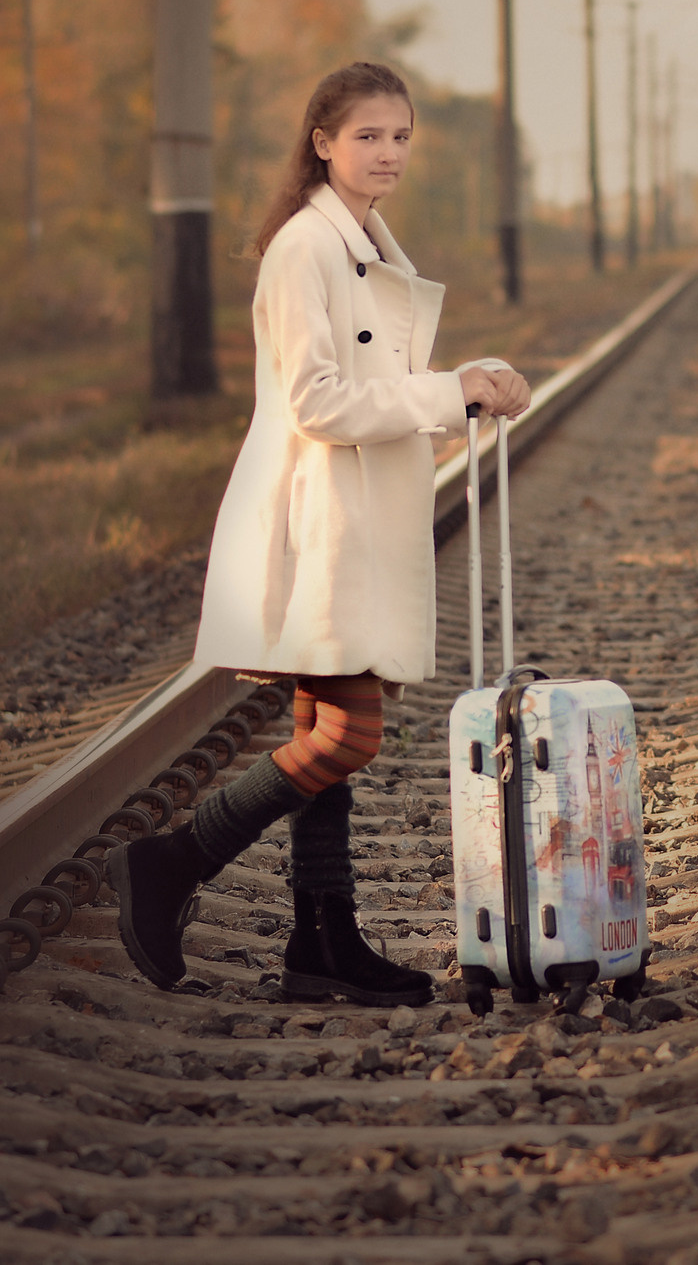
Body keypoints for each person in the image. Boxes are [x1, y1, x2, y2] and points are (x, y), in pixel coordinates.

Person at [114, 61, 531, 1005]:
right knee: (347, 736)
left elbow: (391, 387)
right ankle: (172, 861)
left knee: (320, 732)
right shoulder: (305, 247)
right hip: (320, 518)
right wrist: (448, 388)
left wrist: (479, 382)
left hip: (363, 516)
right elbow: (315, 401)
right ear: (323, 142)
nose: (389, 153)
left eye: (401, 136)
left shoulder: (368, 241)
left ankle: (323, 943)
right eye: (369, 136)